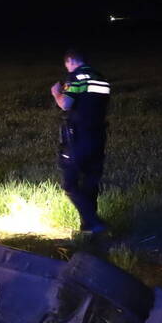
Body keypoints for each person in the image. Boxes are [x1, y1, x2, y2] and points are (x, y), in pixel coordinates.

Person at [50, 48, 111, 234]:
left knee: (70, 184)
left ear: (70, 61)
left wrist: (56, 93)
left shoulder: (76, 77)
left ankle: (94, 223)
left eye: (67, 65)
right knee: (91, 182)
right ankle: (88, 228)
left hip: (78, 137)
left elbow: (65, 104)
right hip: (98, 135)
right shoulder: (101, 79)